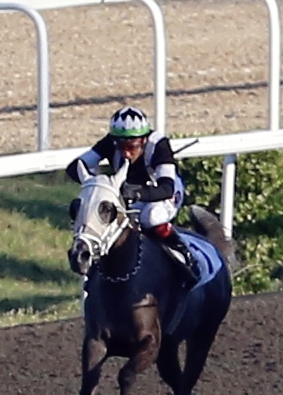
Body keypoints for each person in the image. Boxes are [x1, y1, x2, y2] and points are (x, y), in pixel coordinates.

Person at [67, 108, 193, 274]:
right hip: (127, 192)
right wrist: (100, 186)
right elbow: (74, 167)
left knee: (151, 217)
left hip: (163, 193)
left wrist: (136, 193)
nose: (126, 153)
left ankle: (182, 252)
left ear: (143, 140)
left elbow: (167, 188)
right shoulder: (110, 141)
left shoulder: (158, 145)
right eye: (121, 146)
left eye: (131, 147)